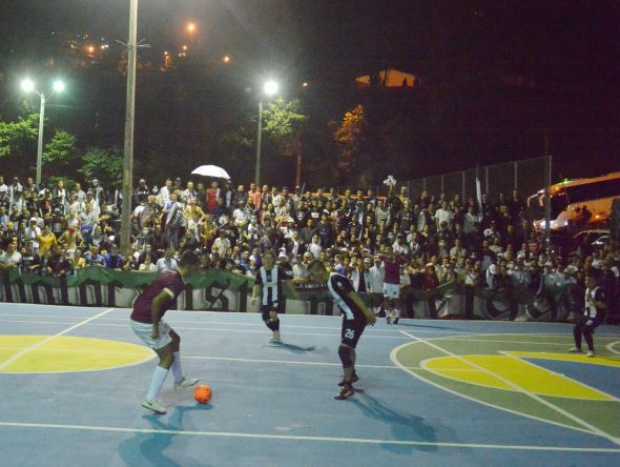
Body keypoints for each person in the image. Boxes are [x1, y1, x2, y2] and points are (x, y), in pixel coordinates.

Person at [129, 250, 201, 414]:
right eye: (197, 267)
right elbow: (156, 301)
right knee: (167, 357)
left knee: (175, 339)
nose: (199, 271)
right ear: (190, 266)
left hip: (145, 316)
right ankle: (150, 399)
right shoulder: (175, 282)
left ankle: (179, 380)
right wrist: (155, 328)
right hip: (145, 321)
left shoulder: (172, 275)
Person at [308, 260, 376, 400]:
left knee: (344, 349)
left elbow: (353, 295)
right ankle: (352, 374)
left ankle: (347, 385)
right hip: (348, 317)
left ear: (320, 270)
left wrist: (367, 312)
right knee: (349, 348)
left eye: (313, 274)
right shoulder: (329, 281)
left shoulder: (335, 279)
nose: (313, 277)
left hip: (356, 317)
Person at [252, 250, 295, 343]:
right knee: (265, 318)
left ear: (273, 260)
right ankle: (276, 332)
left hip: (276, 297)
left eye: (270, 258)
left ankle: (276, 334)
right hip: (265, 298)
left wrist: (293, 292)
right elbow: (256, 285)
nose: (267, 260)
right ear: (262, 260)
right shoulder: (260, 271)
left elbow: (288, 280)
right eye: (265, 258)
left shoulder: (278, 269)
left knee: (273, 314)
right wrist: (254, 297)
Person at [570, 273, 607, 357]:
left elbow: (603, 306)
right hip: (586, 315)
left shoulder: (599, 290)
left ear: (595, 281)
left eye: (589, 280)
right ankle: (578, 347)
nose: (587, 282)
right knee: (576, 328)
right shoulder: (587, 289)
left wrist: (592, 300)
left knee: (586, 329)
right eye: (586, 280)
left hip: (596, 316)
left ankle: (591, 350)